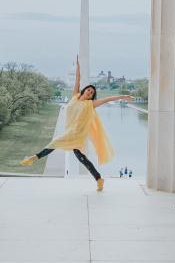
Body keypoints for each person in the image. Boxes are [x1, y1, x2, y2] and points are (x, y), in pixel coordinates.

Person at [21, 55, 132, 191]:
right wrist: (78, 66)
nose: (89, 93)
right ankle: (99, 179)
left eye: (91, 93)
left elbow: (108, 99)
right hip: (71, 132)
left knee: (55, 143)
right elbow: (77, 79)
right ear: (84, 90)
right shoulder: (75, 96)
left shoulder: (90, 104)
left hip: (77, 134)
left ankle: (34, 157)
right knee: (81, 158)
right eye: (88, 90)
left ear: (91, 96)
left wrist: (123, 96)